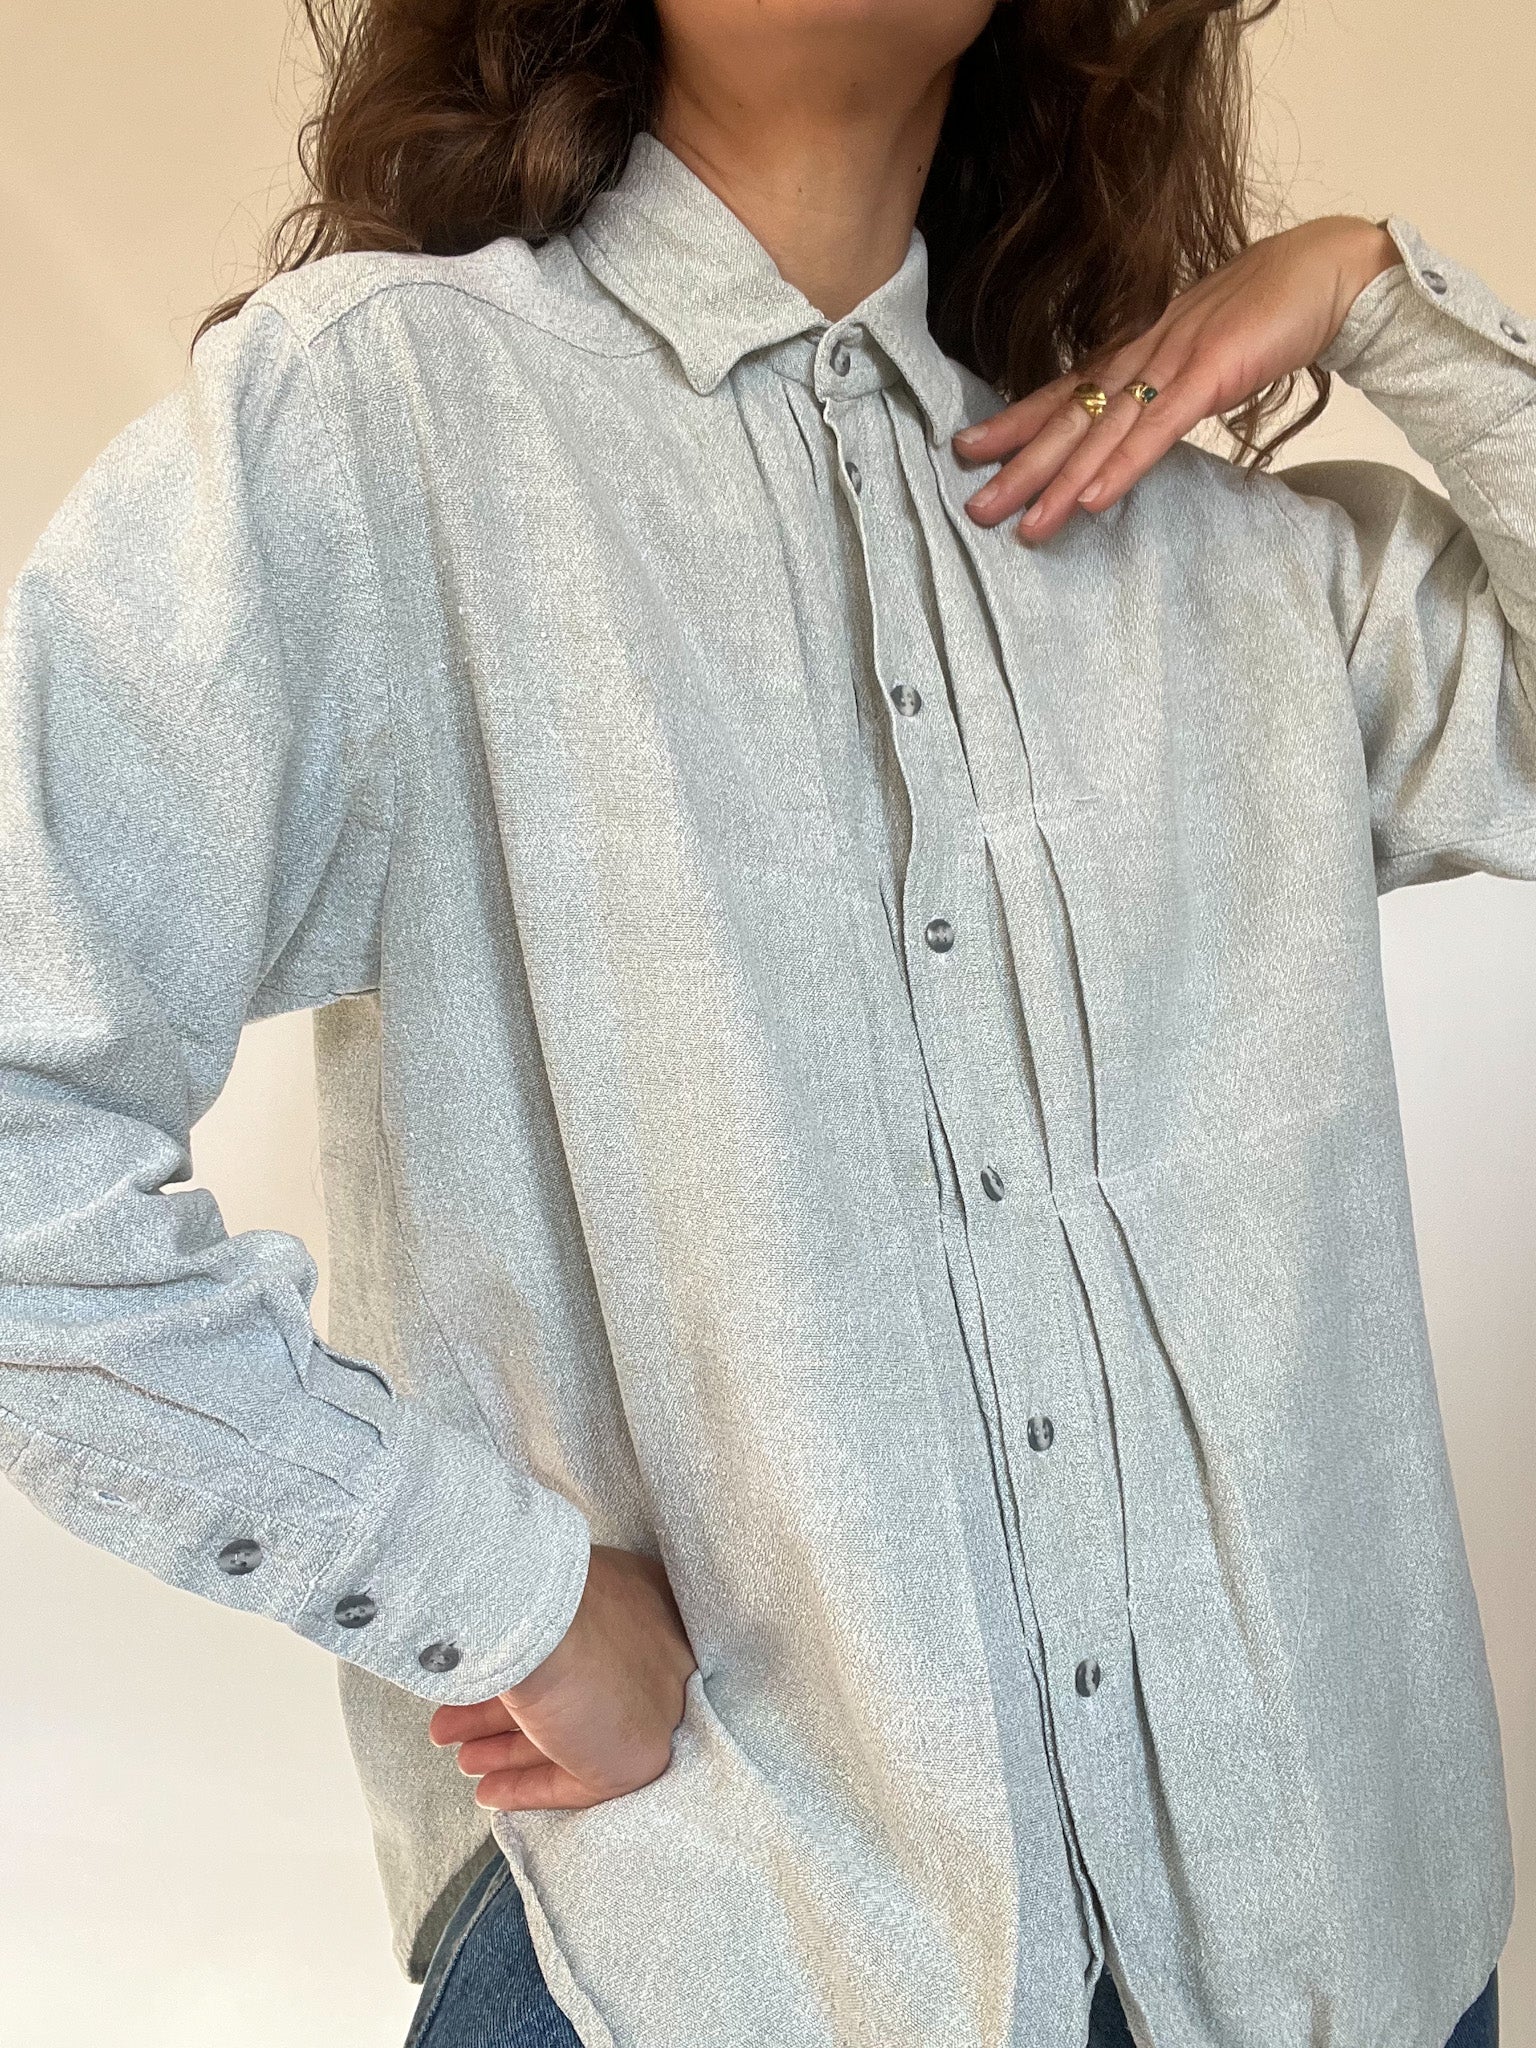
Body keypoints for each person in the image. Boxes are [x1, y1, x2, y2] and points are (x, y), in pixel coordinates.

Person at [0, 0, 1526, 2042]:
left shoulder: (1226, 560)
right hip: (712, 1955)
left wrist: (1373, 290)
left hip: (1341, 1952)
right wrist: (492, 1585)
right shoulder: (377, 430)